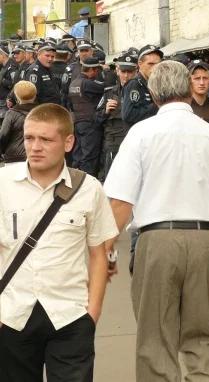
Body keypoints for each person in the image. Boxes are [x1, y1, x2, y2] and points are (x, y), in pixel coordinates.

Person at [103, 60, 209, 381]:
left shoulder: (141, 133)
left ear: (153, 94)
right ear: (187, 89)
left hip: (157, 241)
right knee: (200, 331)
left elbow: (121, 201)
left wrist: (107, 250)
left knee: (156, 335)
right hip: (205, 239)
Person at [0, 103, 119, 381]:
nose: (35, 147)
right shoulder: (3, 183)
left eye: (46, 139)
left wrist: (92, 313)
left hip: (70, 316)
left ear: (68, 142)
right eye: (29, 138)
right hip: (12, 315)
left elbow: (99, 253)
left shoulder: (89, 188)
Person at [96, 52, 137, 182]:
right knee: (112, 182)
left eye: (130, 72)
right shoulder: (110, 93)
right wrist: (106, 111)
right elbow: (96, 119)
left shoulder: (144, 92)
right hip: (114, 144)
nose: (126, 76)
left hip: (136, 142)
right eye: (123, 71)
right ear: (117, 71)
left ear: (136, 71)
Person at [69, 58, 105, 175]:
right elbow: (105, 88)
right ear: (92, 70)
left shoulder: (74, 83)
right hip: (90, 124)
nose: (97, 74)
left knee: (78, 155)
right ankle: (87, 183)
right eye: (96, 71)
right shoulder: (88, 83)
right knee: (90, 157)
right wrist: (108, 73)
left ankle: (75, 179)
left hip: (78, 122)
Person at [121, 45, 162, 127]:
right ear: (140, 64)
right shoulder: (134, 84)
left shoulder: (155, 83)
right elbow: (128, 115)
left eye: (158, 64)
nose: (155, 68)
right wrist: (157, 105)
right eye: (150, 64)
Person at [0, 81, 38, 164]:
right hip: (35, 155)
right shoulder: (41, 113)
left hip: (13, 157)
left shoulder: (11, 114)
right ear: (35, 95)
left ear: (16, 96)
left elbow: (3, 135)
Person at [188, 60, 209, 126]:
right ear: (189, 81)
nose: (202, 83)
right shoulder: (184, 108)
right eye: (197, 78)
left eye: (205, 78)